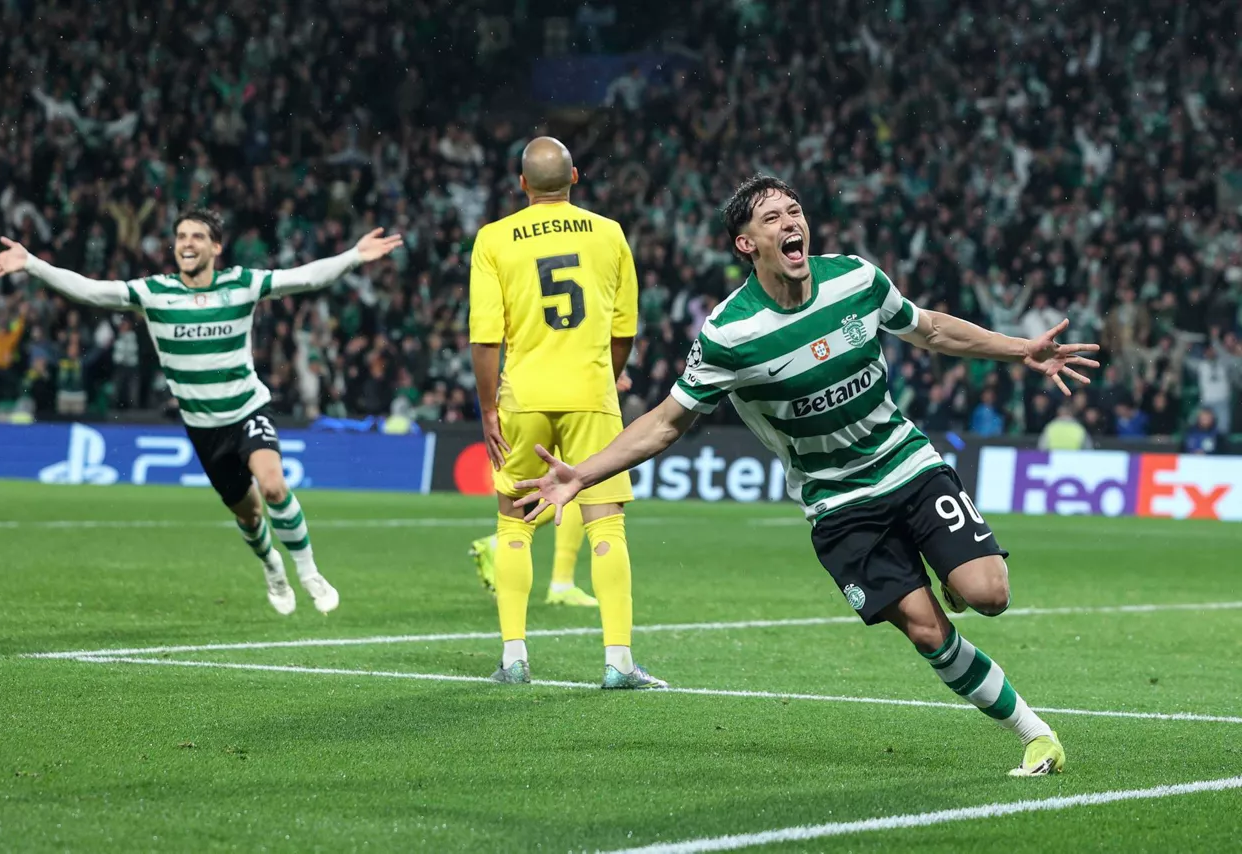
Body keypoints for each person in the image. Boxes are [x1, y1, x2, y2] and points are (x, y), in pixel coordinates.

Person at [513, 175, 1101, 775]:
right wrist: (580, 475)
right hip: (837, 503)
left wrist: (1019, 349)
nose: (790, 223)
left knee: (989, 595)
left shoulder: (855, 280)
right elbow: (666, 422)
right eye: (771, 218)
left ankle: (954, 577)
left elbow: (929, 328)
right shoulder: (729, 334)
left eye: (794, 211)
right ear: (746, 244)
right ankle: (1036, 735)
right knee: (928, 633)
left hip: (907, 464)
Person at [0, 209, 402, 616]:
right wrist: (32, 264)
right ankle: (272, 567)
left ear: (216, 247)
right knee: (250, 514)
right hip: (204, 429)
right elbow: (91, 290)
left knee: (274, 486)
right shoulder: (154, 293)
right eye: (181, 236)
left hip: (247, 409)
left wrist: (353, 256)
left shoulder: (242, 284)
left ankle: (309, 573)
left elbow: (304, 277)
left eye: (197, 236)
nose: (187, 243)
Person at [468, 136, 663, 689]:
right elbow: (624, 329)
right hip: (590, 396)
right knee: (606, 523)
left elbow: (485, 338)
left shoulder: (494, 238)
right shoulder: (609, 233)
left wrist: (488, 409)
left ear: (522, 183)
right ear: (574, 177)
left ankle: (513, 658)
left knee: (514, 523)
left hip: (523, 397)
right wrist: (607, 376)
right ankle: (618, 661)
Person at [468, 370, 633, 608]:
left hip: (531, 393)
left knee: (569, 485)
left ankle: (556, 579)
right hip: (568, 394)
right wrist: (606, 372)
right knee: (576, 483)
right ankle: (558, 582)